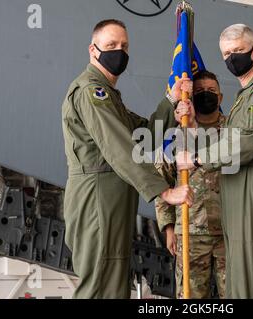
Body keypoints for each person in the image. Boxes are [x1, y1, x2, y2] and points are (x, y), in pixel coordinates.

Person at [61, 19, 193, 299]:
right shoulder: (90, 92)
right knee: (100, 286)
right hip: (98, 201)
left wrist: (170, 100)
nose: (118, 51)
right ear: (92, 50)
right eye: (111, 46)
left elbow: (143, 136)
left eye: (124, 46)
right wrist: (164, 191)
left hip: (112, 201)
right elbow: (118, 146)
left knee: (113, 285)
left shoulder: (107, 95)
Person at [176, 24, 253, 299]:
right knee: (241, 285)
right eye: (226, 54)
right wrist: (192, 124)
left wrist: (196, 158)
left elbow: (247, 141)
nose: (232, 58)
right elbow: (225, 143)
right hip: (238, 192)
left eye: (239, 51)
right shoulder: (247, 96)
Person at [155, 71, 226, 299]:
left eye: (212, 91)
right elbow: (161, 183)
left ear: (221, 97)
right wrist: (168, 228)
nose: (206, 94)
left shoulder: (232, 131)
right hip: (191, 232)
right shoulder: (176, 135)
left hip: (229, 232)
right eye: (200, 91)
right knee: (191, 297)